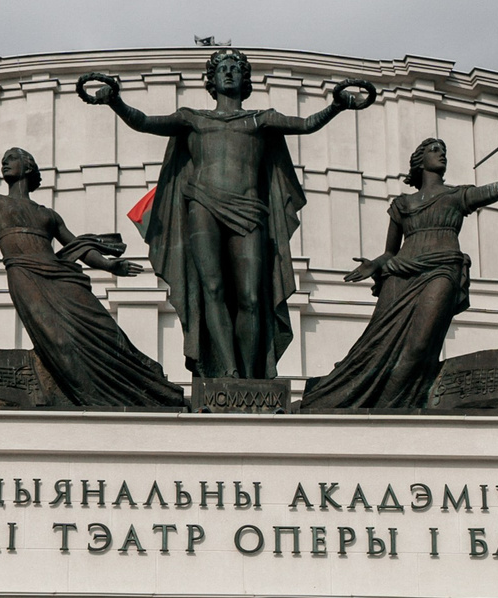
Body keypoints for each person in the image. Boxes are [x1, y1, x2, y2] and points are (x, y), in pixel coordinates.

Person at [79, 50, 375, 380]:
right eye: (223, 68)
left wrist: (337, 106)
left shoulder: (261, 119)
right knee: (213, 290)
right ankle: (229, 371)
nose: (229, 73)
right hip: (203, 206)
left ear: (245, 80)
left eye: (236, 68)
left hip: (249, 211)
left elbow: (305, 125)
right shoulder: (193, 118)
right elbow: (145, 123)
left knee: (251, 297)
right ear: (213, 79)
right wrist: (115, 102)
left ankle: (249, 377)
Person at [0, 125, 183, 410]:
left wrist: (109, 265)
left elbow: (78, 246)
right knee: (58, 341)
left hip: (60, 276)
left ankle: (149, 389)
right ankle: (94, 397)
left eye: (12, 157)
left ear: (28, 167)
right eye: (4, 159)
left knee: (106, 330)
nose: (5, 162)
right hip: (25, 276)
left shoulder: (48, 215)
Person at [301, 120, 498, 413]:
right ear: (420, 161)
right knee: (374, 345)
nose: (442, 154)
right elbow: (389, 251)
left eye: (443, 150)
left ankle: (391, 407)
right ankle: (348, 401)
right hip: (400, 274)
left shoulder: (457, 196)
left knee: (419, 346)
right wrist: (374, 265)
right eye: (435, 149)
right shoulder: (402, 204)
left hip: (442, 270)